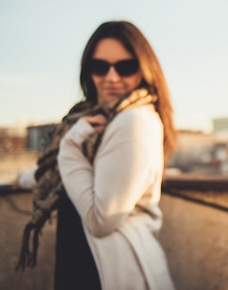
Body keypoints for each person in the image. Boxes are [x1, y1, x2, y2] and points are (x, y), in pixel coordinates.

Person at [16, 20, 176, 290]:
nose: (111, 77)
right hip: (82, 260)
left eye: (125, 66)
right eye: (100, 67)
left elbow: (102, 220)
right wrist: (25, 179)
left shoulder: (133, 121)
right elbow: (77, 174)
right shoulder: (96, 119)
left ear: (144, 69)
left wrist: (69, 145)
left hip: (109, 269)